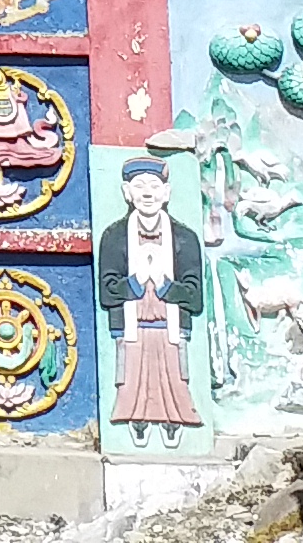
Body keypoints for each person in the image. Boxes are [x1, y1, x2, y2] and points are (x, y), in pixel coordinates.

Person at [96, 159, 205, 441]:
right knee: (132, 381)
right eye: (139, 186)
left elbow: (195, 298)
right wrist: (135, 281)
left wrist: (164, 285)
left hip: (170, 330)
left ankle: (174, 421)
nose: (147, 193)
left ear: (166, 192)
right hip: (132, 330)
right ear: (126, 192)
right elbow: (107, 293)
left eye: (154, 186)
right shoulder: (114, 236)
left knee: (175, 381)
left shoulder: (185, 238)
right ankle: (136, 420)